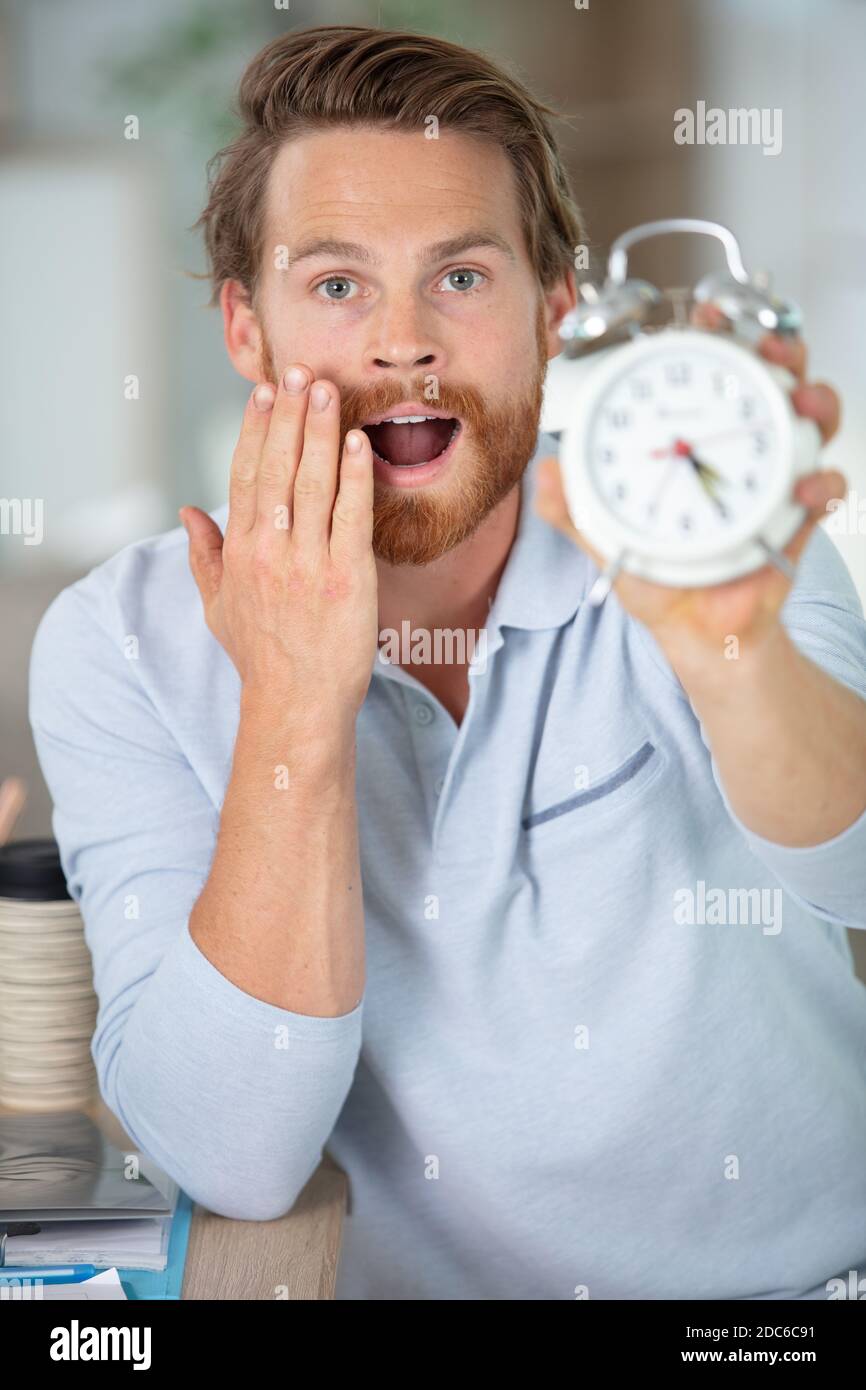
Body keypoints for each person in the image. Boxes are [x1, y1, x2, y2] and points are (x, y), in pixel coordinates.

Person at [30, 25, 866, 1300]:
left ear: (556, 310)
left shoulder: (702, 524)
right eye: (335, 286)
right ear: (246, 332)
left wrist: (726, 647)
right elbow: (234, 1157)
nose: (403, 342)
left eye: (462, 278)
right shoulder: (118, 642)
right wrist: (294, 711)